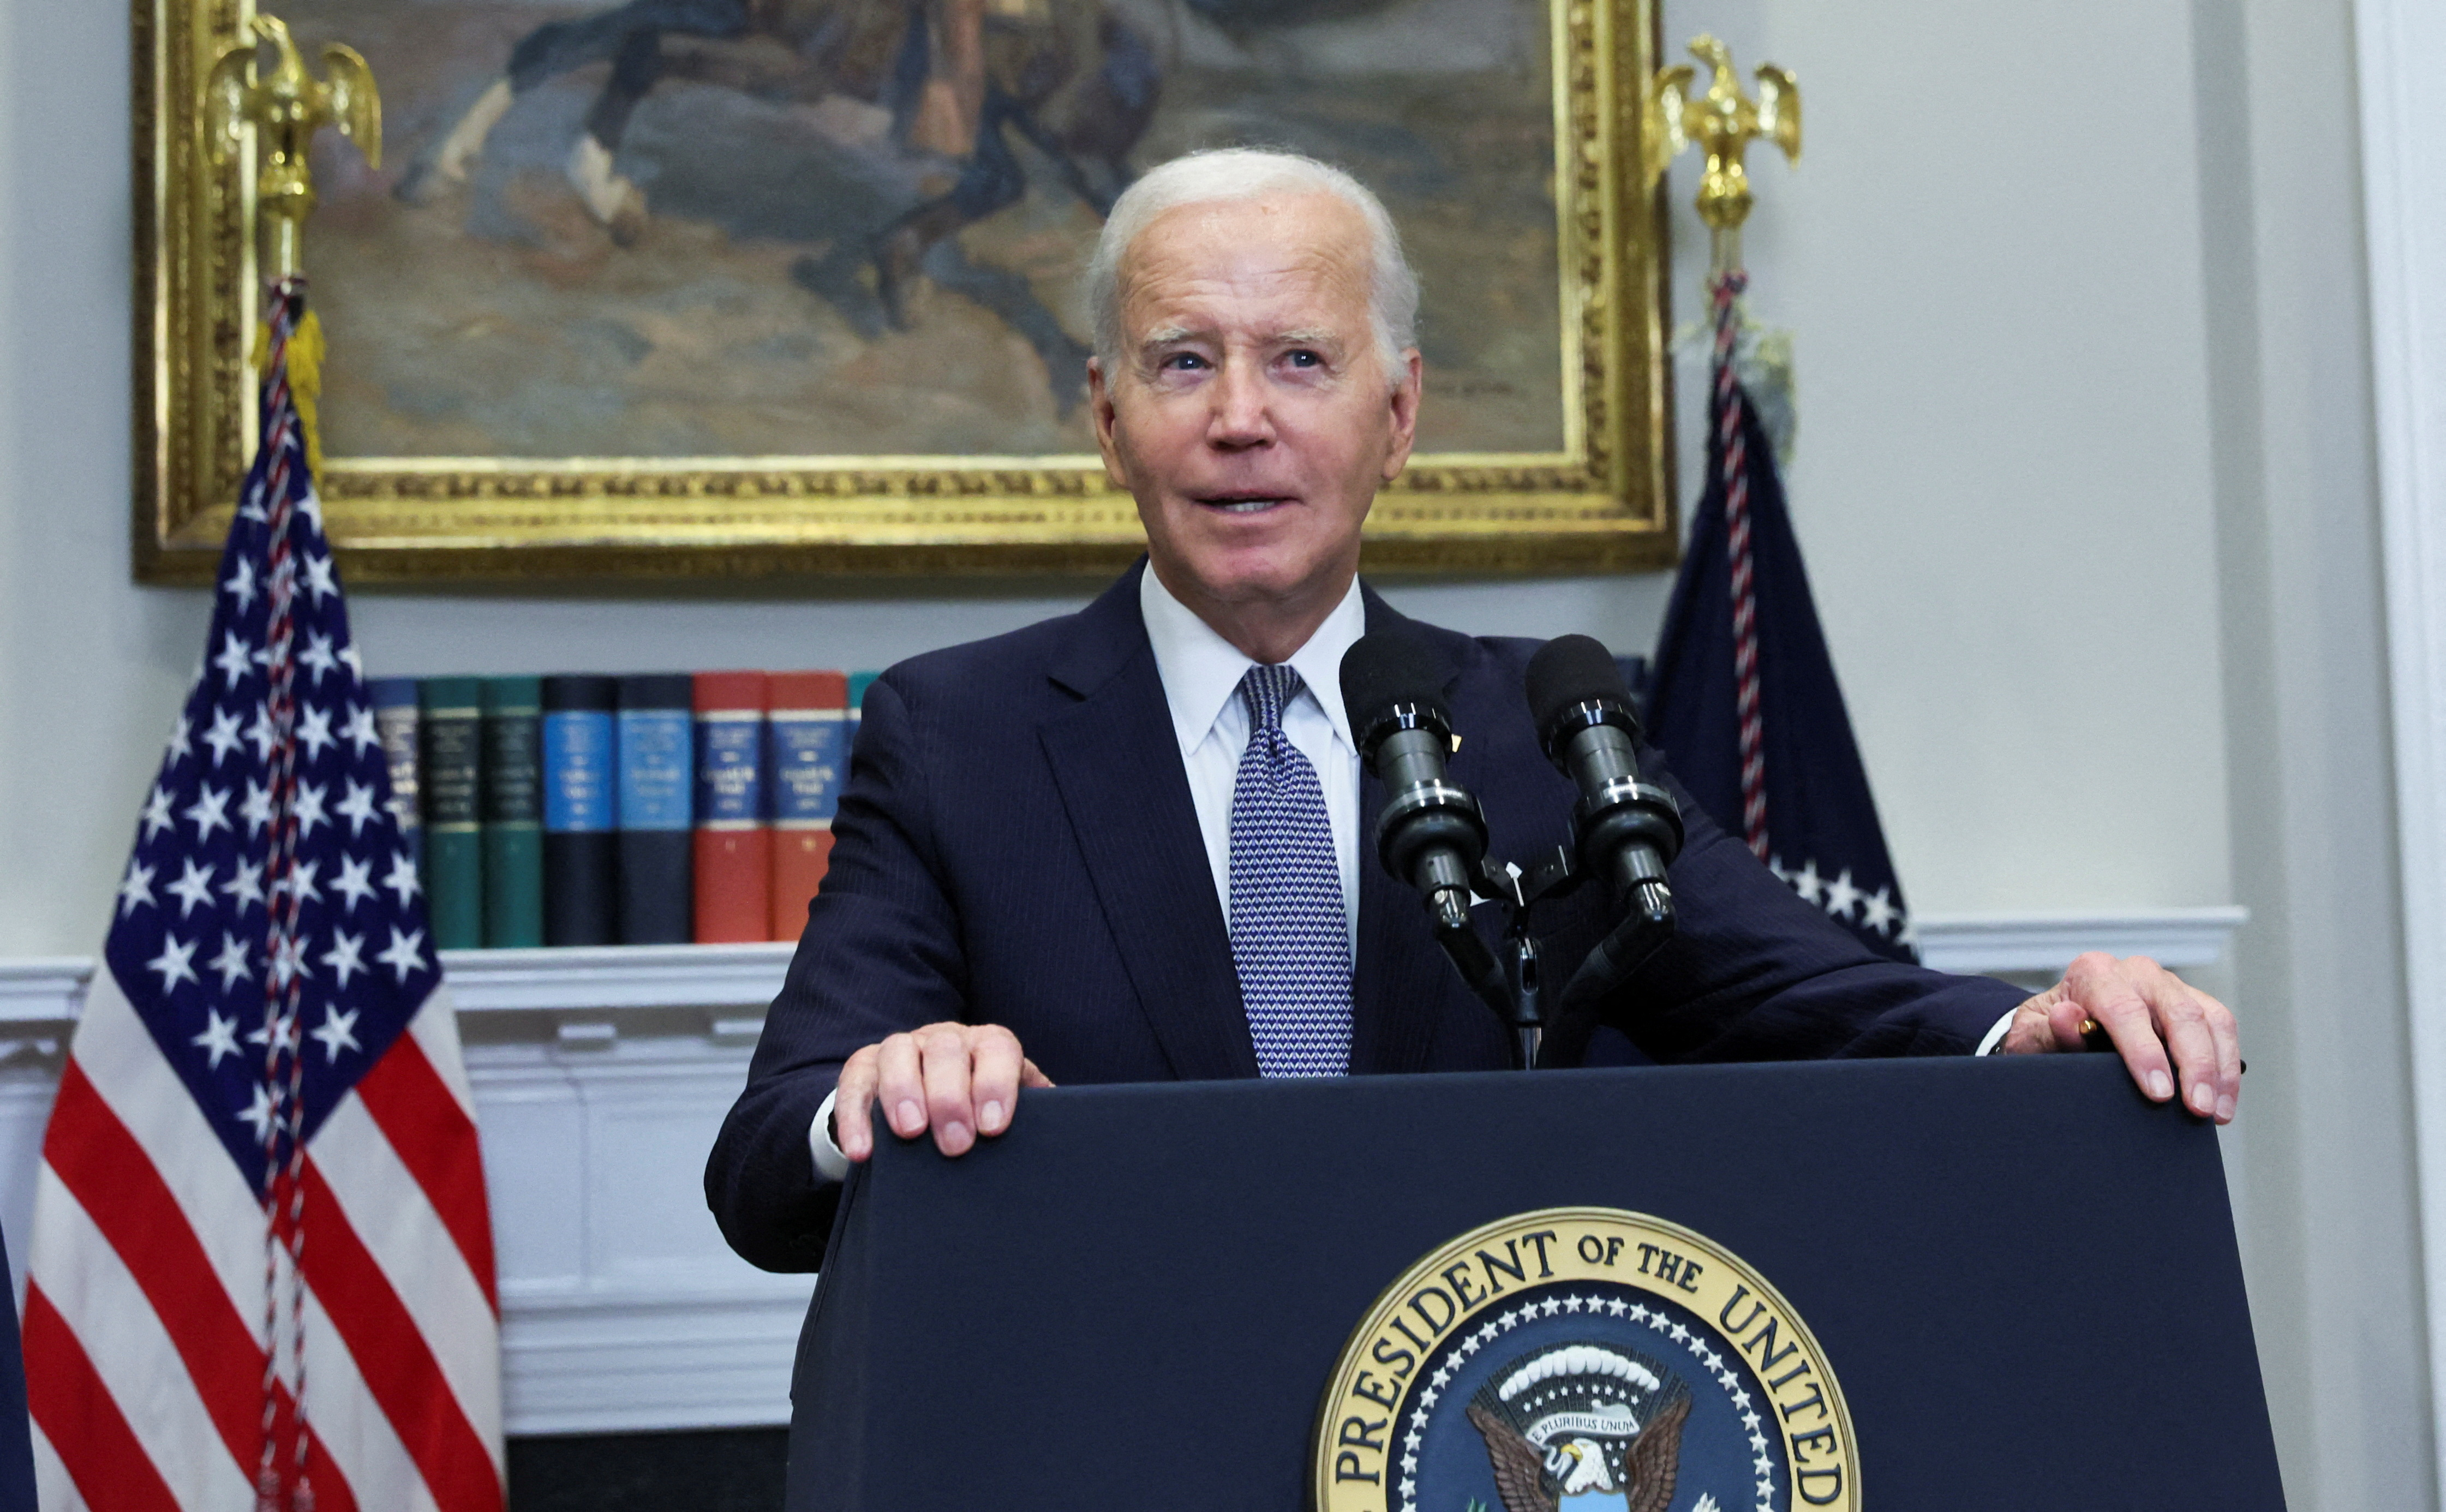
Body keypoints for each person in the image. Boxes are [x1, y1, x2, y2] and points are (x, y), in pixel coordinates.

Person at [704, 149, 2241, 1272]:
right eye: (1185, 362)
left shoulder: (1544, 726)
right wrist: (873, 1098)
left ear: (1401, 412)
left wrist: (2024, 1024)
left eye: (1300, 358)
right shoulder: (955, 733)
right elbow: (763, 1163)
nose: (1240, 416)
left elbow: (1808, 994)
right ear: (1107, 415)